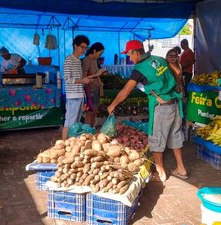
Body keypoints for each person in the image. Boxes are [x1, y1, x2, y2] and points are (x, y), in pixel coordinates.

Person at [107, 40, 188, 182]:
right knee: (175, 136)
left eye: (129, 55)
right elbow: (177, 72)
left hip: (162, 107)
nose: (129, 59)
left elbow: (126, 91)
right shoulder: (159, 59)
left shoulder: (139, 69)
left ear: (136, 52)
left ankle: (160, 173)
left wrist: (112, 104)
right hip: (175, 103)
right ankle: (181, 168)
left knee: (156, 139)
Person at [61, 35, 96, 140]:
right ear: (75, 46)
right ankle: (63, 144)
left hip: (79, 95)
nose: (84, 50)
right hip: (73, 96)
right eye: (82, 47)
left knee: (75, 123)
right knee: (69, 122)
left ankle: (70, 144)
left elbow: (78, 79)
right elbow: (66, 79)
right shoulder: (69, 60)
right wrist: (82, 80)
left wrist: (88, 79)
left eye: (85, 48)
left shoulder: (77, 60)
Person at [82, 42, 107, 127]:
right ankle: (87, 130)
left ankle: (91, 129)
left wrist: (101, 73)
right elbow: (83, 77)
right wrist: (97, 75)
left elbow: (95, 72)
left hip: (95, 88)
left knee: (94, 111)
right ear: (94, 51)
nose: (100, 55)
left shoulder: (94, 60)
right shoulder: (86, 61)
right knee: (90, 112)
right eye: (100, 53)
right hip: (90, 90)